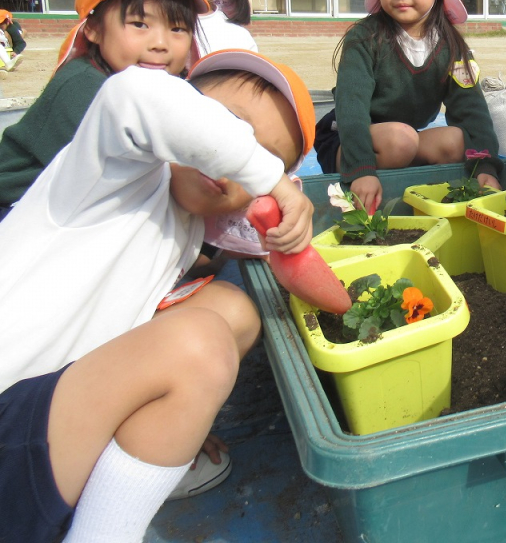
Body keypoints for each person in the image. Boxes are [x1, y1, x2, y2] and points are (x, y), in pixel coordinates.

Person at [0, 47, 316, 542]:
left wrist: (288, 213)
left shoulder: (189, 226)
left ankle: (134, 454)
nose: (237, 161)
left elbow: (252, 240)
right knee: (198, 345)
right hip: (11, 428)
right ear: (189, 107)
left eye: (266, 157)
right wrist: (273, 177)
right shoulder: (112, 166)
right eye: (230, 126)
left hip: (48, 424)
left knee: (234, 313)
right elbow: (138, 94)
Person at [0, 0, 207, 223]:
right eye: (139, 24)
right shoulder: (83, 86)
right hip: (18, 206)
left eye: (177, 29)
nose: (160, 44)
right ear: (94, 29)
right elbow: (122, 173)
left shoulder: (168, 84)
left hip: (82, 204)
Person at [313, 0, 502, 214]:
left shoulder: (452, 46)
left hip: (403, 139)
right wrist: (361, 170)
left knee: (456, 141)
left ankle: (403, 183)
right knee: (401, 140)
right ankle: (375, 189)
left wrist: (485, 164)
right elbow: (352, 107)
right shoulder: (364, 37)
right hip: (349, 142)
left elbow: (471, 108)